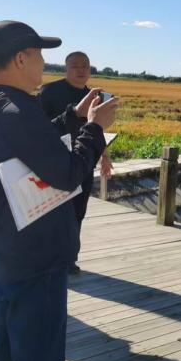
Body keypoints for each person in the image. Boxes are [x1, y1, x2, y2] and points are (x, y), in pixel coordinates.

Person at [0, 21, 117, 361]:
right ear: (20, 59)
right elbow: (66, 174)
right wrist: (96, 129)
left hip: (7, 251)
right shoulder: (20, 111)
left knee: (1, 358)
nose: (43, 64)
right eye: (38, 55)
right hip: (37, 259)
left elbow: (30, 145)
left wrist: (73, 117)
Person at [38, 51, 114, 274]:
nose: (81, 70)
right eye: (75, 65)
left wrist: (105, 156)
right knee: (53, 213)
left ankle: (69, 259)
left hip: (84, 161)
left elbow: (97, 130)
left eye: (85, 65)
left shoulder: (95, 96)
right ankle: (49, 258)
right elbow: (39, 128)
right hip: (54, 163)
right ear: (66, 69)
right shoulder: (49, 92)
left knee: (77, 212)